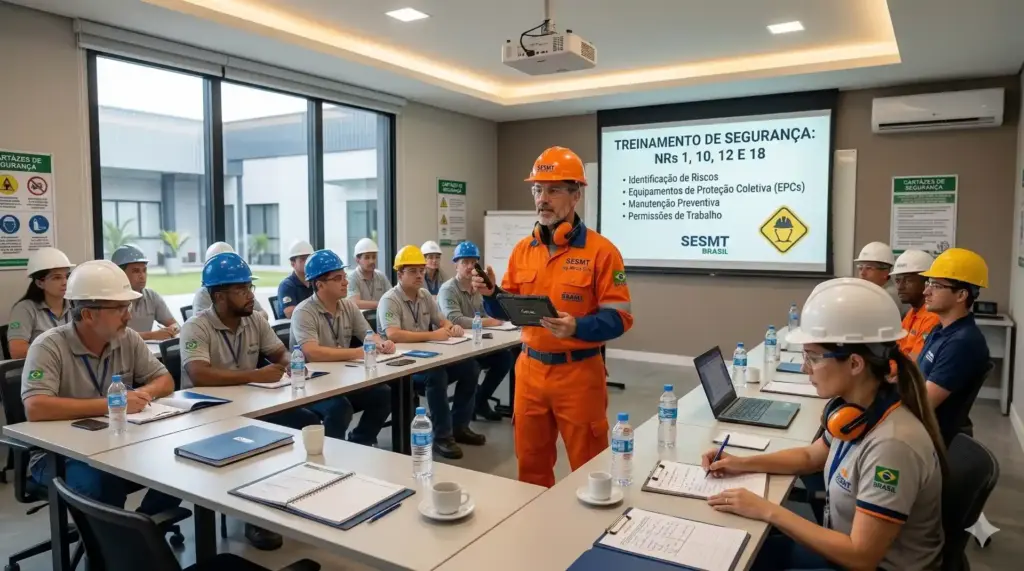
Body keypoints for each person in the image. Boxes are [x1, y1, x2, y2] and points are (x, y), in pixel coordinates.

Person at [703, 278, 945, 571]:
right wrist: (740, 463)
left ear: (855, 363)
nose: (805, 368)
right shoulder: (859, 410)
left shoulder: (892, 445)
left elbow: (861, 557)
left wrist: (767, 510)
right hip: (837, 549)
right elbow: (810, 457)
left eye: (813, 357)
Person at [472, 146, 633, 488]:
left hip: (578, 373)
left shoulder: (602, 252)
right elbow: (508, 311)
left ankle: (588, 536)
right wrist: (491, 297)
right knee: (530, 468)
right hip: (529, 372)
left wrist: (577, 326)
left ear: (576, 196)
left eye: (553, 190)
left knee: (592, 471)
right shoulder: (522, 251)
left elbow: (620, 318)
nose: (542, 199)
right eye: (537, 190)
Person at [178, 252, 339, 550]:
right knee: (256, 442)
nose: (250, 295)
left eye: (249, 288)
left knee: (305, 421)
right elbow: (198, 375)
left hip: (251, 405)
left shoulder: (254, 319)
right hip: (207, 415)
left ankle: (292, 492)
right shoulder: (196, 327)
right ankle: (256, 517)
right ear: (219, 296)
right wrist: (257, 374)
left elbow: (279, 353)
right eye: (241, 290)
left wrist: (293, 363)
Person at [21, 260, 184, 522]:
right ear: (88, 314)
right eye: (119, 308)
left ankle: (142, 529)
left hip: (119, 441)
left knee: (181, 460)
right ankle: (111, 552)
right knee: (102, 482)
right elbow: (36, 407)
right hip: (60, 455)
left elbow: (164, 380)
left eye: (127, 306)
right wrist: (115, 403)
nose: (128, 315)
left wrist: (144, 395)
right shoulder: (48, 346)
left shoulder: (127, 337)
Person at [378, 245, 485, 459]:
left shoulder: (425, 295)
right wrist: (433, 335)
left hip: (426, 358)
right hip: (401, 365)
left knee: (470, 368)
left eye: (421, 270)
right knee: (437, 376)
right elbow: (394, 335)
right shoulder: (390, 299)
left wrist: (450, 326)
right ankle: (442, 437)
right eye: (413, 271)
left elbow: (441, 320)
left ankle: (459, 427)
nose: (419, 275)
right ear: (400, 274)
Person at [290, 249, 395, 446]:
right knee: (339, 408)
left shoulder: (348, 306)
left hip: (341, 378)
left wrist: (381, 342)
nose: (346, 282)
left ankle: (359, 442)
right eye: (338, 278)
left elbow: (368, 334)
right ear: (320, 285)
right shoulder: (303, 312)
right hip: (312, 384)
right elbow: (312, 353)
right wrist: (356, 353)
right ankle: (330, 455)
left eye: (344, 276)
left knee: (384, 393)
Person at [918, 247, 991, 445]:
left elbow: (921, 405)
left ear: (961, 295)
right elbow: (918, 372)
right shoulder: (941, 329)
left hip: (929, 438)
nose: (926, 291)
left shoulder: (962, 344)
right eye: (928, 283)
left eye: (936, 285)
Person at [437, 240, 514, 421]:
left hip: (478, 342)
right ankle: (465, 413)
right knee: (472, 366)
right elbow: (456, 319)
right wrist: (490, 322)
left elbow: (491, 309)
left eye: (473, 262)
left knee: (505, 358)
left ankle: (480, 400)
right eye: (464, 262)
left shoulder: (480, 288)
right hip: (456, 347)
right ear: (456, 264)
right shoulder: (448, 289)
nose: (470, 266)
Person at [8, 247, 74, 359]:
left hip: (67, 370)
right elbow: (17, 351)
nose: (65, 282)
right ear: (39, 283)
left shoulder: (76, 306)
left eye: (67, 276)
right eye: (57, 278)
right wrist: (60, 351)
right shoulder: (24, 309)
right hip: (36, 371)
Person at [111, 244, 179, 341]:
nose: (142, 276)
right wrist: (151, 335)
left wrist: (171, 330)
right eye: (136, 271)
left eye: (144, 270)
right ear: (119, 273)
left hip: (146, 352)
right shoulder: (110, 300)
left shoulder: (151, 296)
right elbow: (116, 336)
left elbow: (175, 324)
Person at [191, 242, 269, 319]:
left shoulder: (243, 288)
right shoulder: (203, 294)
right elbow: (201, 325)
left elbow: (263, 314)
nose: (251, 295)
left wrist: (245, 320)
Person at [891, 250, 940, 360]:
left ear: (927, 282)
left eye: (908, 280)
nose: (900, 287)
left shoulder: (933, 317)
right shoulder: (911, 313)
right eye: (898, 281)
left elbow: (915, 363)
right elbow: (897, 351)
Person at [855, 241, 905, 314]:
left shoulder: (888, 296)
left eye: (869, 268)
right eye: (860, 268)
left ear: (885, 273)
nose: (862, 273)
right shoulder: (871, 292)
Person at [347, 237, 391, 310]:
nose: (371, 261)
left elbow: (391, 299)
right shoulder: (352, 278)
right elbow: (355, 303)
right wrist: (382, 303)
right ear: (357, 260)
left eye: (374, 257)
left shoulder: (381, 276)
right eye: (367, 258)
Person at [277, 240, 315, 318]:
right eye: (303, 259)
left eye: (309, 259)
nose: (308, 262)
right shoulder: (287, 285)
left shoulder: (315, 281)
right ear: (292, 264)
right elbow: (290, 313)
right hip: (290, 327)